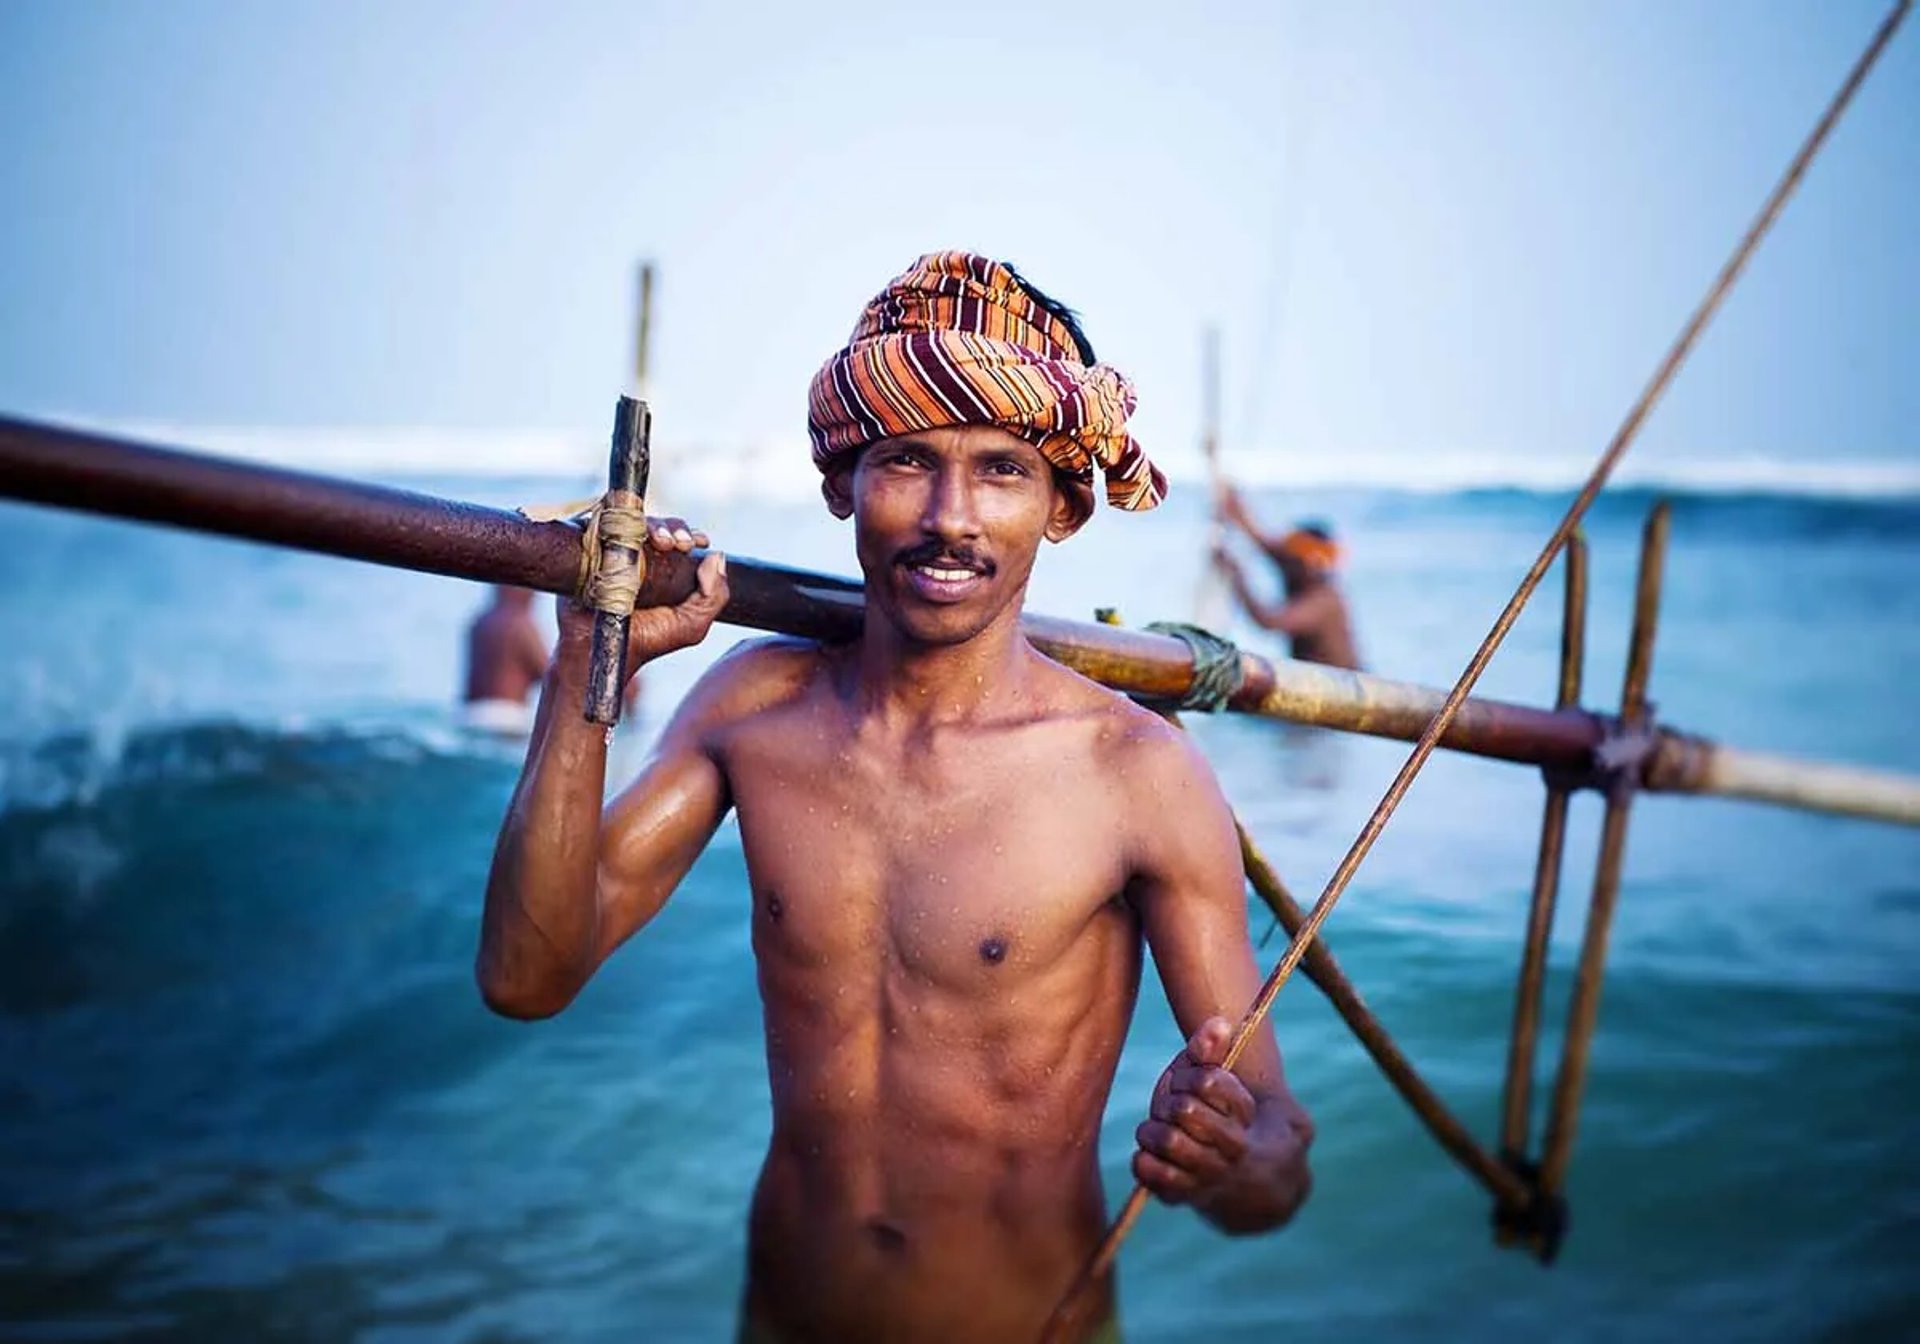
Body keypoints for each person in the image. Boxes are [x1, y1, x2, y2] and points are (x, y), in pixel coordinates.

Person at [477, 252, 1313, 1343]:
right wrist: (588, 662)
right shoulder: (751, 710)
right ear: (843, 487)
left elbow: (1276, 1161)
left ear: (1063, 506)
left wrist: (1226, 1161)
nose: (951, 518)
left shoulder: (1133, 770)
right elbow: (526, 977)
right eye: (908, 461)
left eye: (1002, 471)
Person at [1212, 485, 1363, 670]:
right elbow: (1264, 542)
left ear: (1313, 563)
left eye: (1295, 559)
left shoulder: (1325, 600)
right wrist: (1235, 508)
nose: (1287, 561)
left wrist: (1237, 576)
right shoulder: (1299, 568)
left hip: (1341, 691)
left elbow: (1268, 621)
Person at [461, 585, 552, 733]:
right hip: (507, 719)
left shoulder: (479, 622)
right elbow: (548, 674)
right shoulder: (521, 625)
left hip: (469, 715)